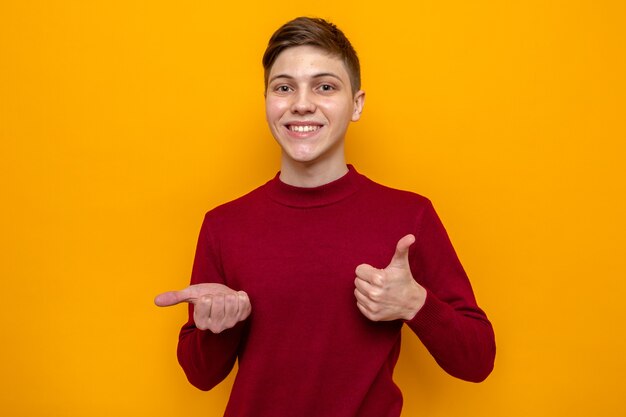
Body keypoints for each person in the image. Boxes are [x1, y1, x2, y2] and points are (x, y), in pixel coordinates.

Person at [155, 16, 495, 417]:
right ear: (267, 100)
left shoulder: (410, 216)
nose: (302, 102)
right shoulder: (223, 225)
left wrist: (416, 303)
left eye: (325, 86)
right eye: (284, 87)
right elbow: (200, 375)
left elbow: (477, 360)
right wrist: (219, 327)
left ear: (356, 105)